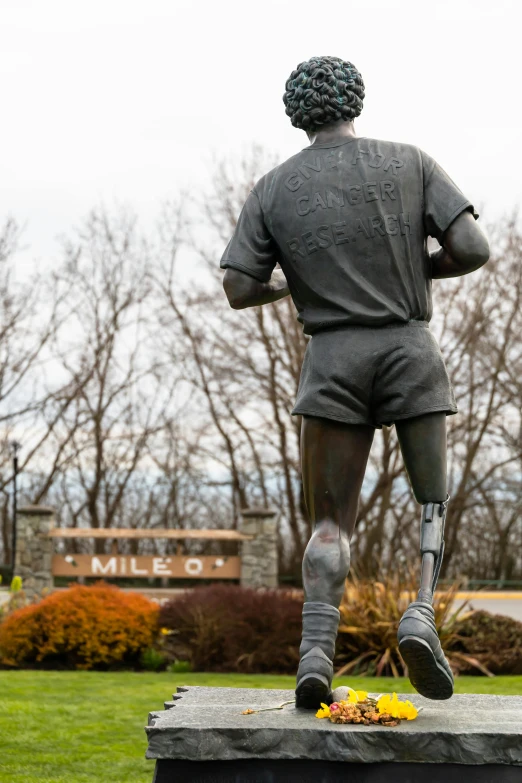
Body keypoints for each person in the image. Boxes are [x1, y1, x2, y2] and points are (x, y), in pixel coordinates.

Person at [220, 56, 489, 709]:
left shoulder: (274, 188)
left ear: (297, 113)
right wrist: (416, 269)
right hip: (407, 347)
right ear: (354, 100)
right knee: (430, 501)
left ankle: (316, 653)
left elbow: (237, 285)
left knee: (330, 522)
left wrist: (294, 282)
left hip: (334, 356)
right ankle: (421, 612)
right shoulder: (410, 161)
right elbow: (475, 248)